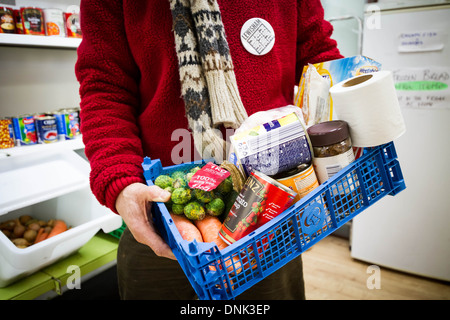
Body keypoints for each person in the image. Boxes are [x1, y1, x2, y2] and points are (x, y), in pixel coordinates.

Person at [75, 0, 342, 300]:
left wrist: (349, 108)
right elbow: (105, 84)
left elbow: (318, 58)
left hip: (270, 218)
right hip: (163, 221)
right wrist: (119, 182)